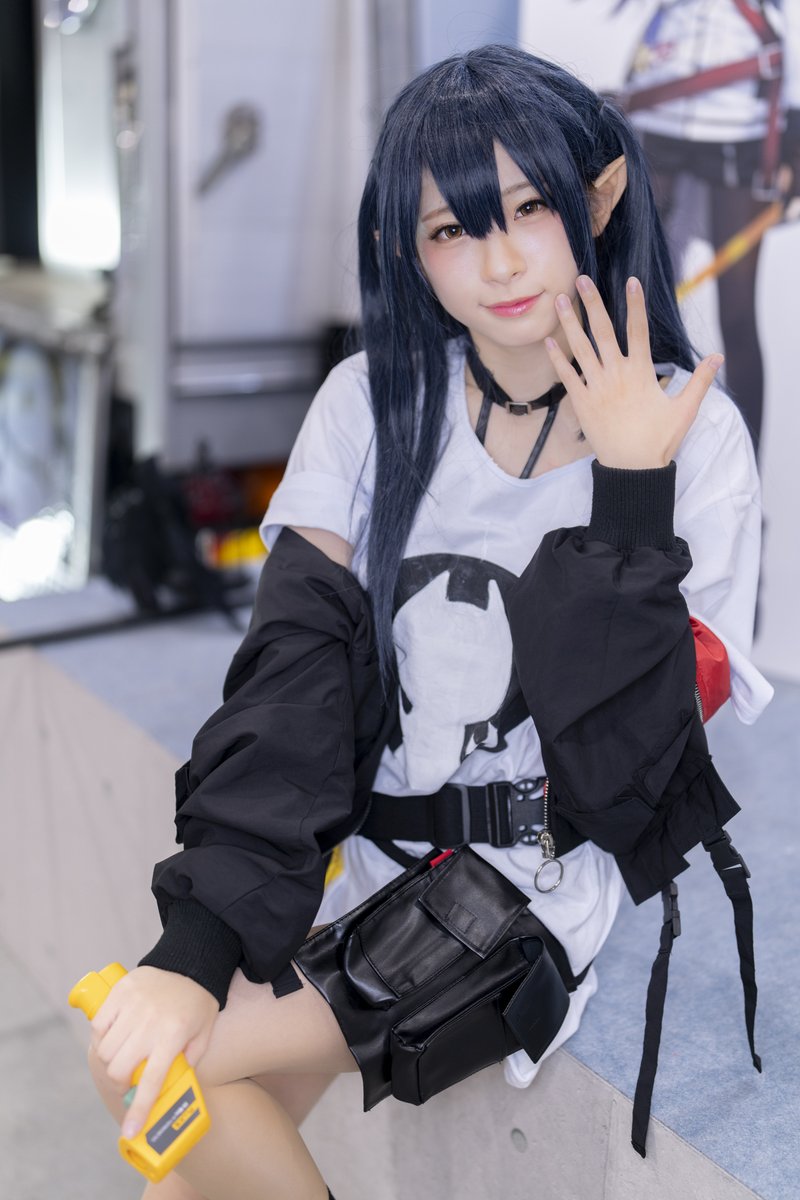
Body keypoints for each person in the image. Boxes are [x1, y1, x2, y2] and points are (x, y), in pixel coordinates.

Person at [85, 44, 772, 1199]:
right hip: (369, 867)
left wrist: (628, 491)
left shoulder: (691, 436)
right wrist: (197, 946)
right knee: (179, 1148)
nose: (498, 261)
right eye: (452, 228)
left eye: (529, 208)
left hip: (523, 897)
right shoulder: (370, 407)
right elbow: (291, 683)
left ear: (598, 198)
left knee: (159, 1078)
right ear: (405, 248)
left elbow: (632, 767)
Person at [617, 0, 800, 459]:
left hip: (740, 128)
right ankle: (634, 454)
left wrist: (796, 144)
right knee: (639, 301)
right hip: (657, 116)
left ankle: (747, 474)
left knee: (737, 315)